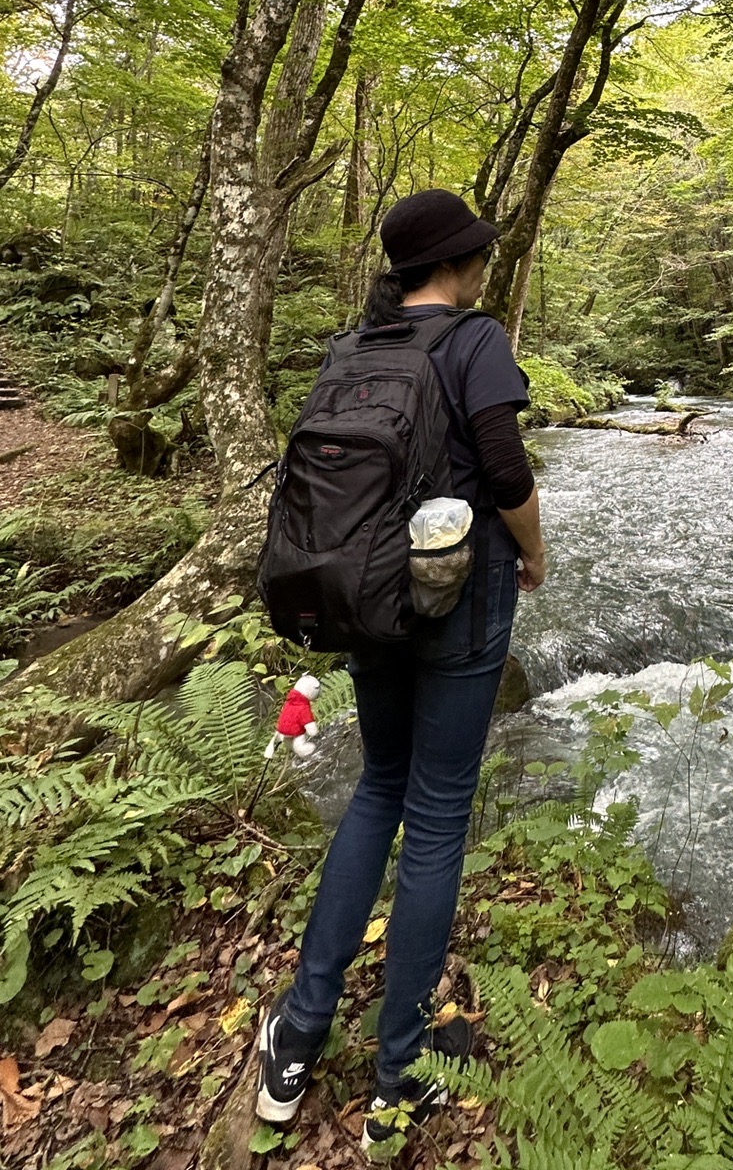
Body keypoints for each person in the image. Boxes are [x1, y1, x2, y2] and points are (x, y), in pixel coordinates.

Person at [254, 188, 546, 1149]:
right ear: (462, 260)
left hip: (367, 599)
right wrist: (536, 554)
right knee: (437, 816)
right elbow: (503, 469)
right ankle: (401, 1071)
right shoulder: (474, 341)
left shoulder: (355, 347)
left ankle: (294, 1042)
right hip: (459, 605)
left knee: (379, 788)